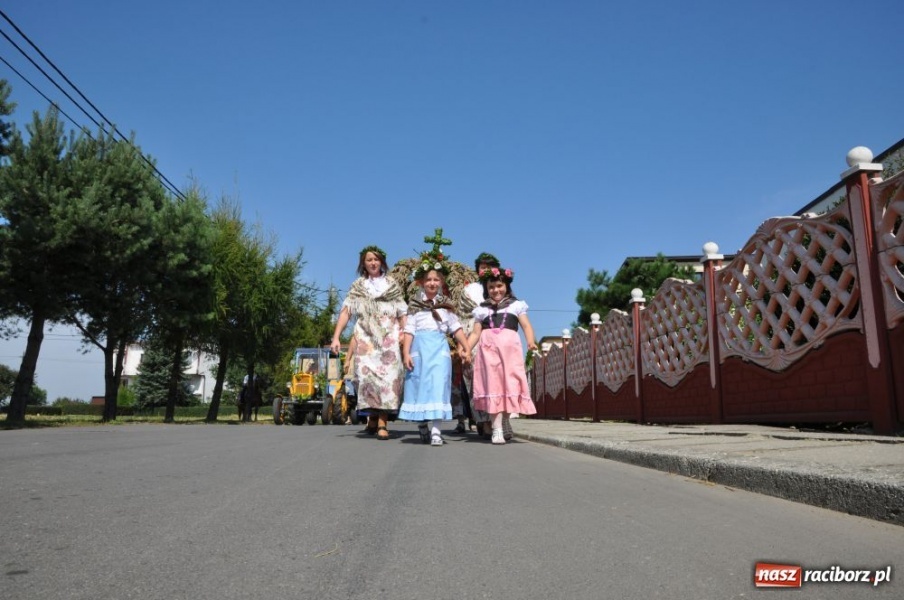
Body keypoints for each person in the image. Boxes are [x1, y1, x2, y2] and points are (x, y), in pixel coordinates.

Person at [330, 246, 407, 440]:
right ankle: (372, 417)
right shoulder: (358, 286)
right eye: (369, 260)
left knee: (388, 380)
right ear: (363, 264)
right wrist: (336, 336)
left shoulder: (392, 285)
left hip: (388, 338)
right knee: (366, 380)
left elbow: (402, 312)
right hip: (365, 339)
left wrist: (404, 332)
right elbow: (346, 311)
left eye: (376, 259)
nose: (373, 263)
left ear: (382, 262)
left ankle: (382, 421)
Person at [399, 263, 470, 446]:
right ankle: (422, 424)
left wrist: (466, 346)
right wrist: (406, 353)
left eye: (436, 279)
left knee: (439, 387)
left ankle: (436, 432)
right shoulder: (415, 306)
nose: (432, 283)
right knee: (420, 387)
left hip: (439, 350)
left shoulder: (445, 306)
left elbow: (456, 328)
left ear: (441, 282)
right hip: (420, 350)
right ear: (422, 282)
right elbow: (409, 331)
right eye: (428, 279)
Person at [467, 265, 538, 445]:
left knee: (510, 385)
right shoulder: (482, 309)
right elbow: (475, 333)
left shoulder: (516, 305)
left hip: (510, 353)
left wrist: (530, 341)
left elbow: (526, 326)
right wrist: (465, 348)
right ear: (486, 289)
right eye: (491, 287)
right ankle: (497, 428)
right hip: (488, 353)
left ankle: (505, 419)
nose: (495, 290)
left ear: (506, 285)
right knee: (493, 387)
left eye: (499, 286)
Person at [459, 252, 500, 438]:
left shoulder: (498, 289)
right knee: (475, 380)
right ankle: (482, 421)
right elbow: (460, 316)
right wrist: (462, 343)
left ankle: (497, 420)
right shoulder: (469, 290)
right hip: (472, 336)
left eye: (489, 267)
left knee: (495, 380)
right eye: (482, 267)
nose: (486, 271)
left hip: (494, 337)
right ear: (477, 270)